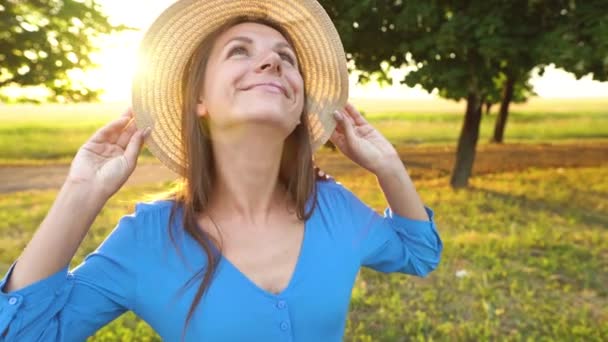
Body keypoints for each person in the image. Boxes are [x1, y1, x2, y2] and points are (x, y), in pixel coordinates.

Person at [0, 0, 443, 341]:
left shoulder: (334, 209)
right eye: (240, 51)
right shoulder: (147, 239)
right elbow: (21, 333)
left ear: (299, 110)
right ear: (201, 102)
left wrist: (387, 165)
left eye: (286, 58)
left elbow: (419, 252)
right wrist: (82, 191)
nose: (273, 64)